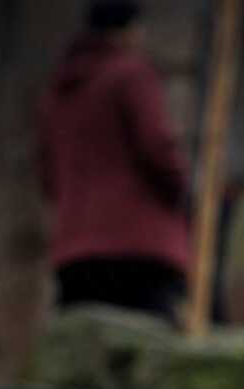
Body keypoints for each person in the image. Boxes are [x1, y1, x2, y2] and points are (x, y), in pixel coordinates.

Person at [38, 0, 189, 320]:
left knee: (82, 357)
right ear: (127, 30)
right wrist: (181, 188)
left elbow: (47, 176)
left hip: (75, 252)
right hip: (138, 246)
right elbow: (158, 149)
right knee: (146, 355)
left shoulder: (56, 92)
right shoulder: (130, 73)